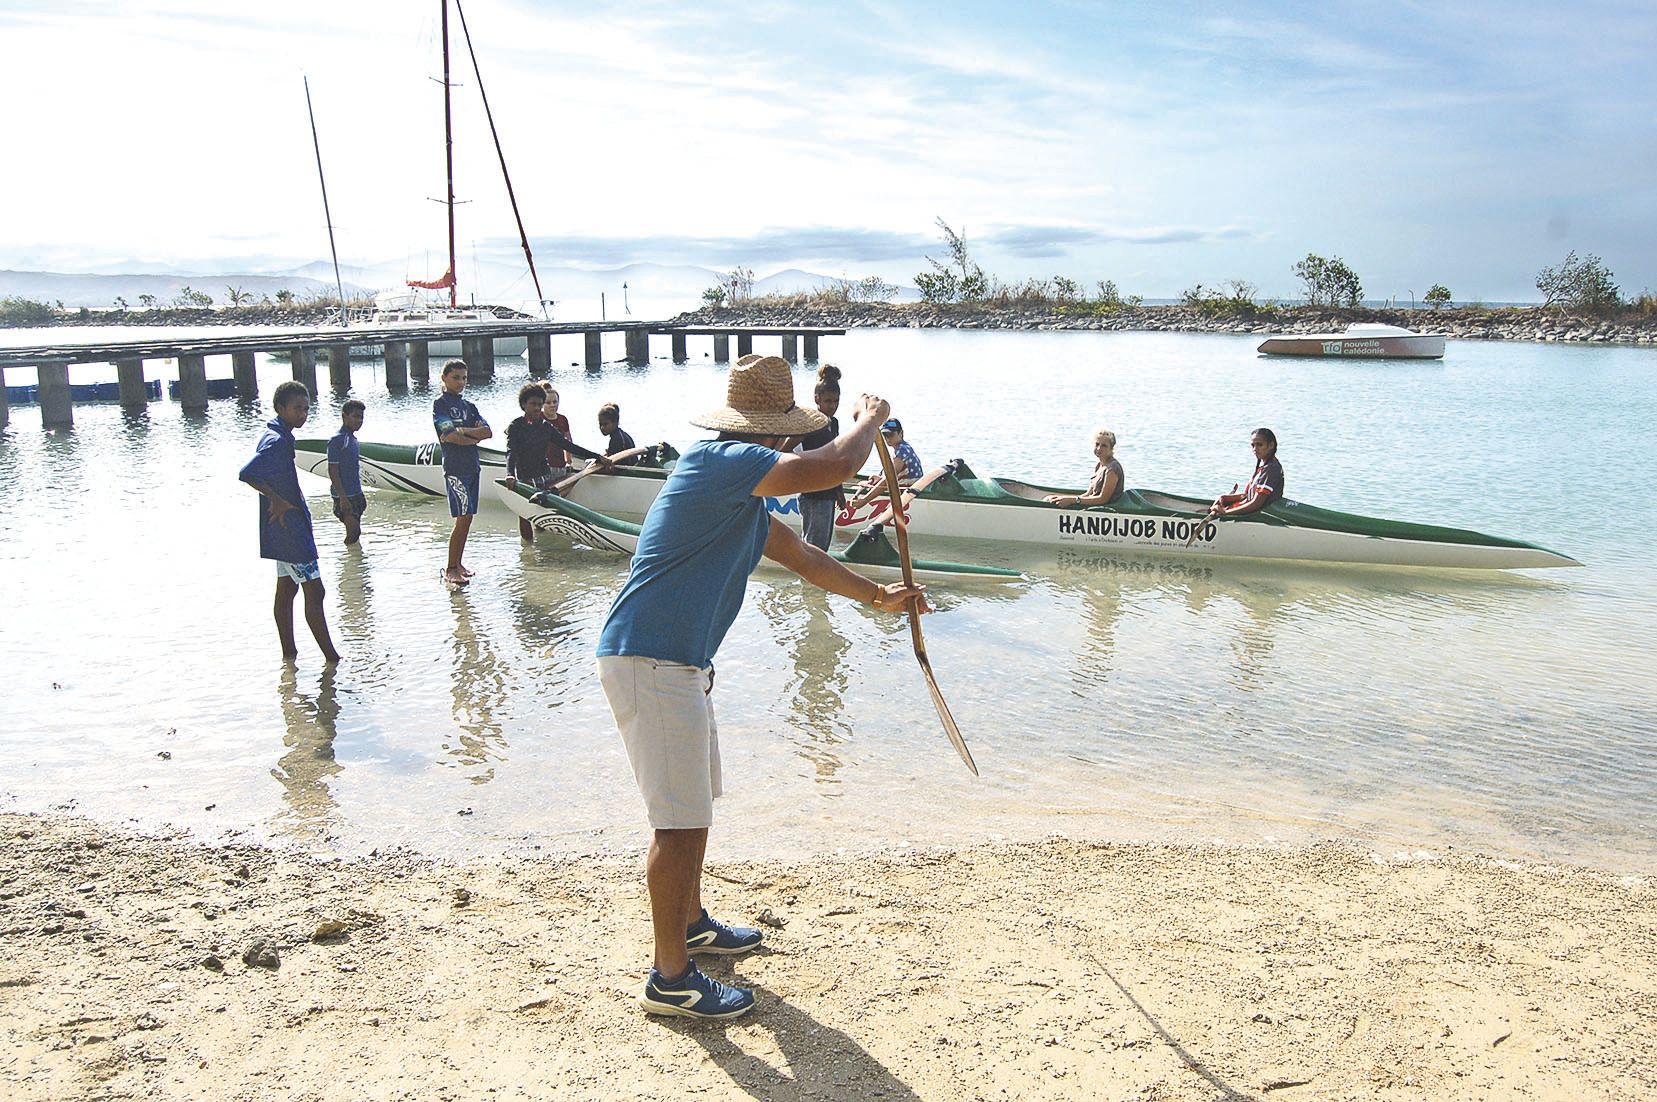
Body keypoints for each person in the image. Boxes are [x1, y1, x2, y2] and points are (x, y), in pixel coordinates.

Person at [595, 354, 928, 1021]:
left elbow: (806, 558)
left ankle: (689, 926)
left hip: (676, 662)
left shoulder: (736, 497)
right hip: (653, 660)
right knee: (679, 823)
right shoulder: (719, 462)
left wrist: (877, 598)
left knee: (694, 810)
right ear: (775, 432)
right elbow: (835, 467)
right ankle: (670, 979)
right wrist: (866, 421)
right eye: (791, 431)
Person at [238, 381, 341, 664]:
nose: (303, 414)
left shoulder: (276, 432)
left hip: (281, 530)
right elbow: (247, 473)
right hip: (291, 530)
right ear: (280, 408)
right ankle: (332, 658)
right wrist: (277, 500)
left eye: (306, 409)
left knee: (286, 589)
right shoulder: (278, 440)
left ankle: (289, 655)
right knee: (315, 591)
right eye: (297, 409)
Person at [505, 384, 611, 541]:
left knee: (543, 513)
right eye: (533, 404)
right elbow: (510, 452)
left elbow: (568, 445)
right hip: (524, 476)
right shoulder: (516, 426)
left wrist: (596, 456)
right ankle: (527, 551)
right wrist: (509, 475)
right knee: (524, 514)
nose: (537, 408)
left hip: (543, 475)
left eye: (540, 405)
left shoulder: (545, 427)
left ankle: (543, 544)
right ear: (523, 405)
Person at [432, 360, 493, 586]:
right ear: (445, 378)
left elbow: (487, 432)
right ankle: (450, 568)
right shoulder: (440, 404)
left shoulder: (470, 406)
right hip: (455, 468)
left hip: (472, 467)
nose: (461, 382)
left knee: (468, 519)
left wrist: (464, 431)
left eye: (464, 378)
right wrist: (470, 438)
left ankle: (459, 563)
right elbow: (448, 435)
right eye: (456, 377)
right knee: (462, 517)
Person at [796, 363, 847, 550]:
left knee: (822, 547)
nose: (832, 406)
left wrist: (839, 490)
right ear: (817, 399)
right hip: (813, 493)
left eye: (835, 401)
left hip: (828, 492)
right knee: (813, 548)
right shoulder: (810, 422)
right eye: (827, 401)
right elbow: (789, 450)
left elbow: (836, 457)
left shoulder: (833, 423)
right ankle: (806, 579)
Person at [1211, 427, 1283, 517]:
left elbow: (1256, 504)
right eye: (1253, 445)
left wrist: (1225, 513)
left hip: (1253, 516)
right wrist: (1224, 498)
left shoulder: (1271, 469)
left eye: (1259, 445)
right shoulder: (1264, 467)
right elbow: (1247, 496)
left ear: (1271, 445)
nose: (1255, 449)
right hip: (1241, 507)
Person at [1044, 429, 1125, 508]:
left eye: (1104, 446)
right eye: (1097, 444)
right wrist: (1063, 498)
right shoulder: (1099, 466)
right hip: (1094, 507)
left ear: (1111, 448)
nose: (1099, 448)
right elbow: (1088, 494)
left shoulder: (1113, 468)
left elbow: (1103, 499)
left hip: (1105, 512)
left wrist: (1073, 500)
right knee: (1049, 498)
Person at [326, 399, 367, 545]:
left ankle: (355, 564)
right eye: (355, 416)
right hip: (344, 495)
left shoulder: (353, 439)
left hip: (356, 492)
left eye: (361, 417)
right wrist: (342, 498)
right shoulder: (337, 440)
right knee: (353, 533)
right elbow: (333, 470)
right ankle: (347, 565)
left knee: (357, 533)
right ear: (344, 416)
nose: (359, 420)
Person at [538, 384, 577, 478]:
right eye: (548, 402)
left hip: (559, 465)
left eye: (555, 402)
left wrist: (569, 461)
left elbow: (568, 442)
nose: (552, 405)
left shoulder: (563, 419)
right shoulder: (538, 418)